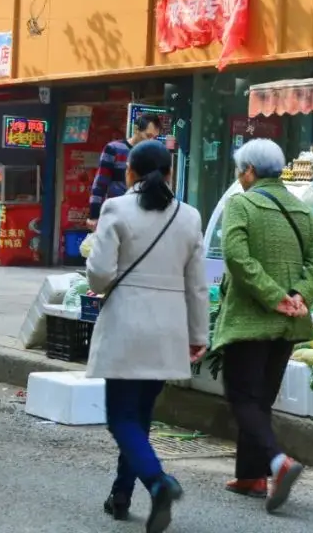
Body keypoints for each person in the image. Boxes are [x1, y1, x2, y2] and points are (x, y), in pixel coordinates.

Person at [85, 140, 208, 533]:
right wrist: (198, 333)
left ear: (130, 173)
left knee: (120, 417)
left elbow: (99, 275)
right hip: (168, 329)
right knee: (138, 417)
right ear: (170, 173)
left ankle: (158, 483)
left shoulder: (115, 208)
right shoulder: (188, 217)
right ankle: (121, 495)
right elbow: (198, 286)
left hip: (126, 324)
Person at [212, 139, 313, 512]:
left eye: (239, 170)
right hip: (288, 323)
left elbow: (235, 255)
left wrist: (271, 294)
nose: (239, 177)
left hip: (250, 320)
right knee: (260, 398)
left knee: (242, 397)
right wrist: (297, 296)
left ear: (248, 171)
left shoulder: (241, 204)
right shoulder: (302, 210)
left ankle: (278, 464)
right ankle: (251, 475)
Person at [88, 113, 162, 231]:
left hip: (142, 216)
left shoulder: (154, 155)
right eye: (148, 135)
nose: (151, 140)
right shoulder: (114, 149)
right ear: (136, 130)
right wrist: (94, 215)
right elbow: (100, 183)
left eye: (154, 137)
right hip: (116, 214)